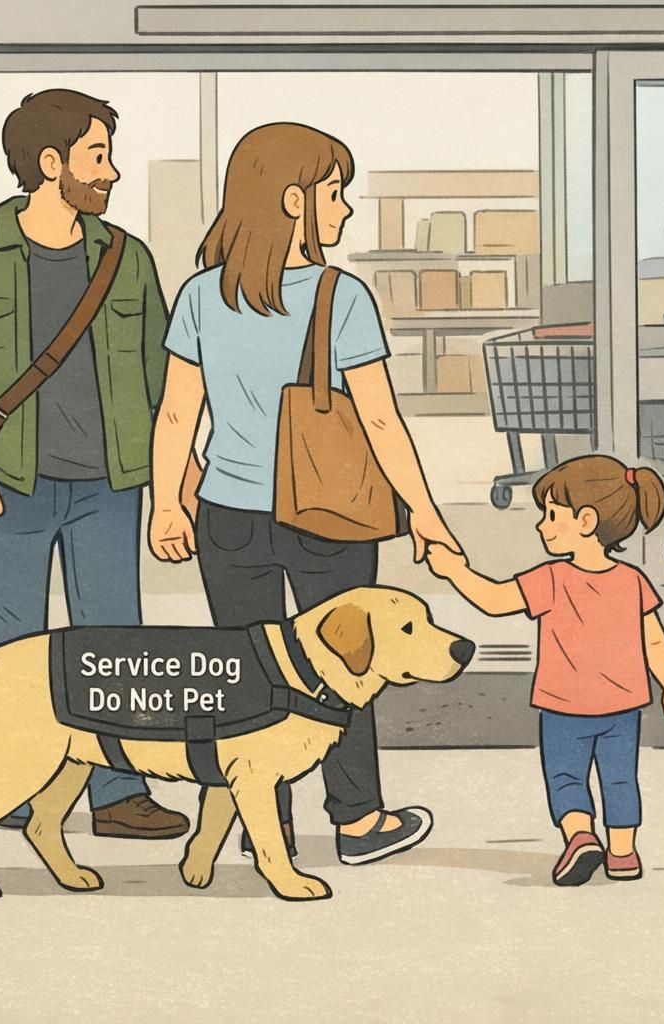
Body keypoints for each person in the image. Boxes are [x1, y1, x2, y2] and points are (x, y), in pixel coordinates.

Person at [148, 122, 461, 865]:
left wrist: (167, 503)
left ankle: (269, 826)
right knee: (349, 671)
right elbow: (380, 418)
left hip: (227, 515)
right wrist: (423, 511)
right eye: (334, 192)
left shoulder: (200, 295)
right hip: (330, 515)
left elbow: (175, 414)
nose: (345, 209)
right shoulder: (339, 296)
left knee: (250, 674)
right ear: (294, 199)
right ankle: (357, 822)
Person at [0, 89, 193, 838]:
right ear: (51, 162)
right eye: (99, 156)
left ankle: (118, 789)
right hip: (4, 485)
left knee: (114, 641)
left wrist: (173, 489)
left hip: (107, 486)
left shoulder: (125, 259)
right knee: (8, 644)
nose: (113, 173)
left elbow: (165, 386)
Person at [426, 454, 664, 886]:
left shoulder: (552, 578)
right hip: (623, 708)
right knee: (621, 779)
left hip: (564, 708)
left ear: (586, 520)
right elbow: (655, 640)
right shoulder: (632, 580)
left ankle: (581, 836)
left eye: (552, 515)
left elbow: (494, 601)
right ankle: (623, 854)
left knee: (566, 777)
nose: (542, 525)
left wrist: (455, 571)